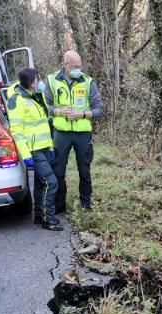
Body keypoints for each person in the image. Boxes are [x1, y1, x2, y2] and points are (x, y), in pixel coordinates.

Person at [43, 51, 103, 213]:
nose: (79, 69)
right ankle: (59, 206)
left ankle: (86, 205)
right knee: (58, 171)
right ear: (65, 65)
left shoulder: (88, 82)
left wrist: (82, 114)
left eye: (80, 66)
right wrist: (59, 112)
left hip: (83, 134)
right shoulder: (52, 80)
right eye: (75, 66)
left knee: (84, 171)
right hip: (61, 133)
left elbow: (99, 109)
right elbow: (44, 107)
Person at [6, 68, 62, 231]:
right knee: (51, 182)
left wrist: (50, 146)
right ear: (31, 82)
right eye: (38, 79)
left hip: (44, 148)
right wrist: (25, 154)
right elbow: (17, 131)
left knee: (40, 183)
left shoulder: (37, 96)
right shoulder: (17, 100)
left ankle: (39, 215)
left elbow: (43, 124)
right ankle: (48, 219)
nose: (40, 82)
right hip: (33, 151)